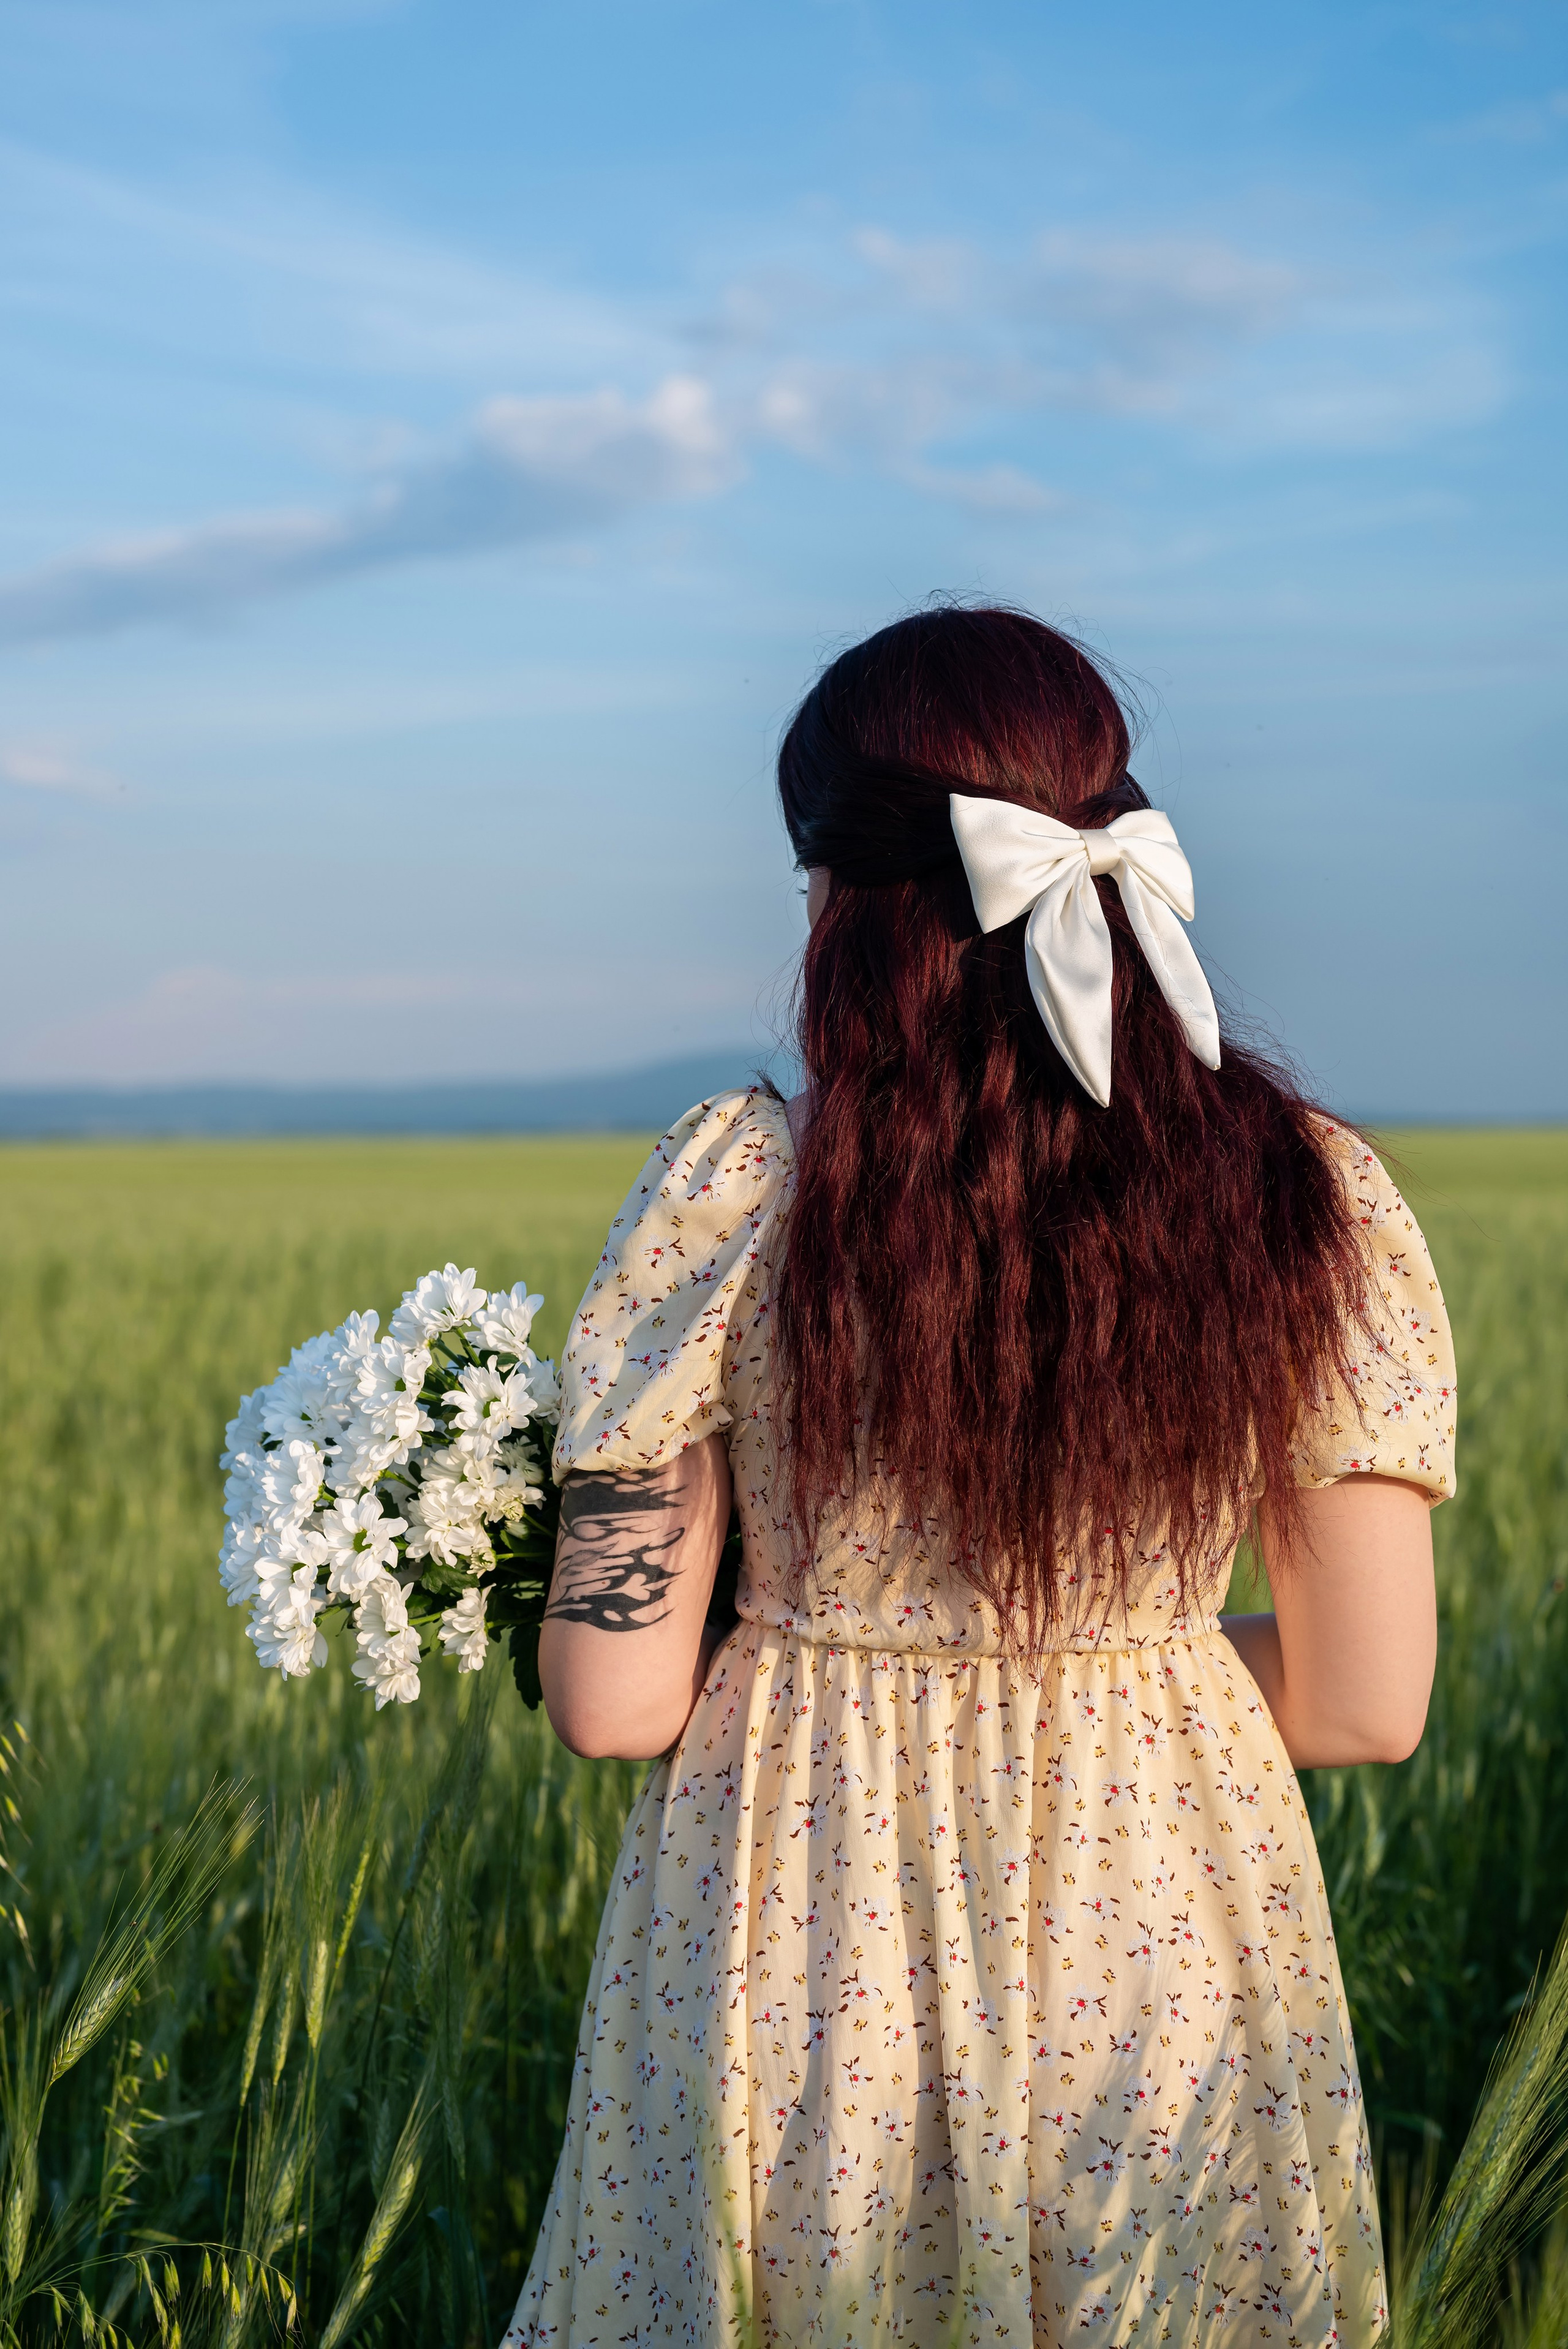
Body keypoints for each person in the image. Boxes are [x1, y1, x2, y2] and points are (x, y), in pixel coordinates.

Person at [502, 606, 1455, 2349]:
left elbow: (613, 1698)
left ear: (846, 913)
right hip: (1173, 1930)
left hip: (804, 1923)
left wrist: (837, 1649)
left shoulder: (741, 1185)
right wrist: (1111, 1665)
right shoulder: (1309, 1194)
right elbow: (1368, 1702)